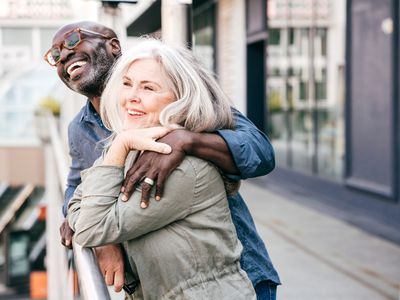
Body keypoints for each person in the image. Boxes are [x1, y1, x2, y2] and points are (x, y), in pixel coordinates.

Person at [45, 21, 280, 299]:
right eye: (56, 54)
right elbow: (78, 190)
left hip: (233, 273)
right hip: (157, 284)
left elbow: (260, 153)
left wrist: (187, 140)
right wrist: (101, 241)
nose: (64, 55)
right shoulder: (80, 129)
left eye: (72, 41)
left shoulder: (181, 94)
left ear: (113, 46)